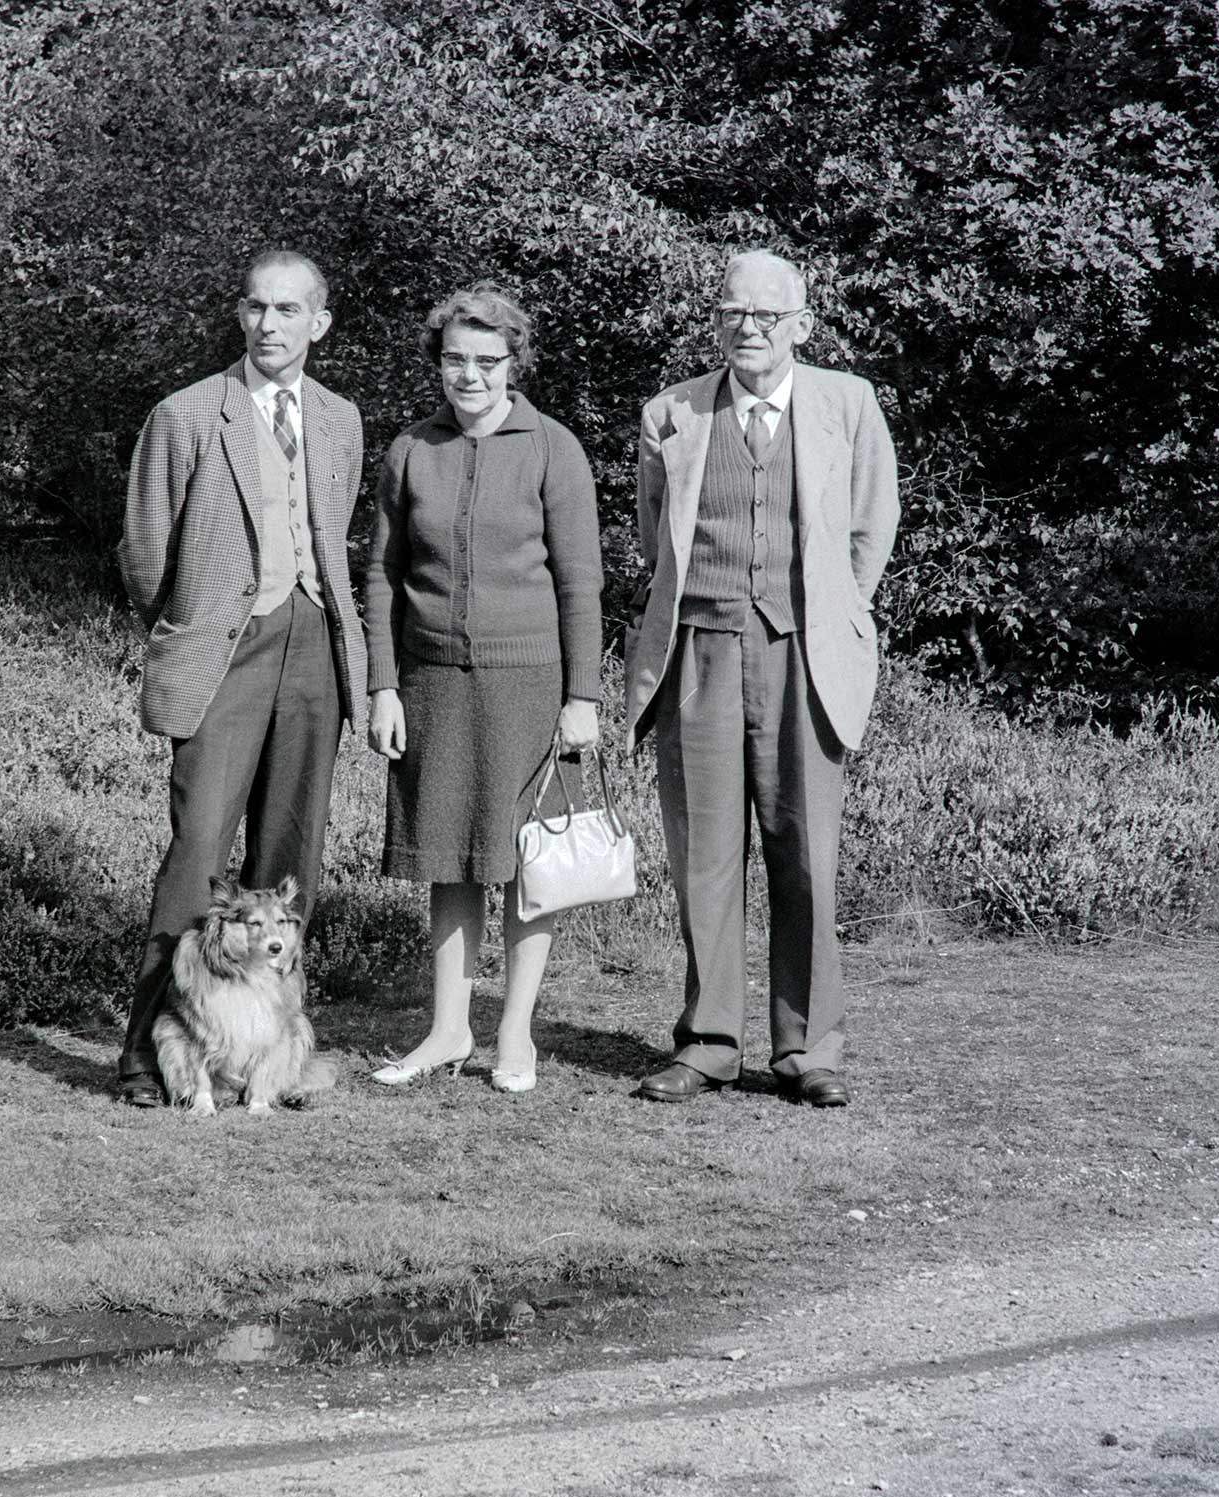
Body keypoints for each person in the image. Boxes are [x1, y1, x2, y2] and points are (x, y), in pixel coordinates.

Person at [623, 249, 899, 1108]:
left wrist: (829, 614)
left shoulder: (848, 404)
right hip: (698, 654)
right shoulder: (671, 411)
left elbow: (868, 526)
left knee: (806, 856)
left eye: (768, 317)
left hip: (804, 656)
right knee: (704, 858)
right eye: (733, 313)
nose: (749, 329)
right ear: (716, 322)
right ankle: (707, 1043)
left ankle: (807, 1050)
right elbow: (653, 535)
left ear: (802, 327)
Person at [113, 249, 368, 1107]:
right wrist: (197, 622)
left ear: (318, 323)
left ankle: (271, 1060)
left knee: (292, 858)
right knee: (196, 855)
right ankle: (151, 1062)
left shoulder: (339, 419)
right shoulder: (186, 414)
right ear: (240, 315)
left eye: (289, 311)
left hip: (314, 648)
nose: (269, 326)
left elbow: (334, 543)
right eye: (257, 308)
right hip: (223, 647)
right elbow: (145, 553)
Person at [363, 282, 603, 1095]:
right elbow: (383, 577)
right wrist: (384, 686)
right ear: (439, 362)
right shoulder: (409, 451)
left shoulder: (552, 447)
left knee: (529, 862)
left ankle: (515, 1037)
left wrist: (585, 697)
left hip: (531, 686)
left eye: (485, 360)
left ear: (513, 363)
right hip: (431, 683)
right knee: (451, 860)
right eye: (454, 359)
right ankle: (446, 1031)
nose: (468, 375)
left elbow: (580, 584)